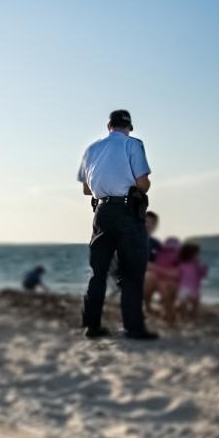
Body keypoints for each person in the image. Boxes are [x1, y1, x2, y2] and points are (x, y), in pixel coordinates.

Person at [76, 109, 157, 340]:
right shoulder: (133, 144)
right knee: (132, 273)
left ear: (108, 126)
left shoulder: (92, 149)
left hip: (101, 212)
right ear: (128, 128)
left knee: (98, 273)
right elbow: (142, 183)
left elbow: (85, 189)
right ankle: (133, 328)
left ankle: (91, 326)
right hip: (127, 212)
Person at [174, 242, 207, 320]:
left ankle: (187, 316)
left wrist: (202, 267)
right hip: (189, 289)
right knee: (189, 305)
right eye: (196, 254)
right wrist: (202, 267)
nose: (197, 255)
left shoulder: (185, 264)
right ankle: (185, 317)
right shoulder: (191, 265)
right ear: (190, 254)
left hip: (188, 289)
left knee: (191, 305)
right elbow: (202, 274)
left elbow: (202, 274)